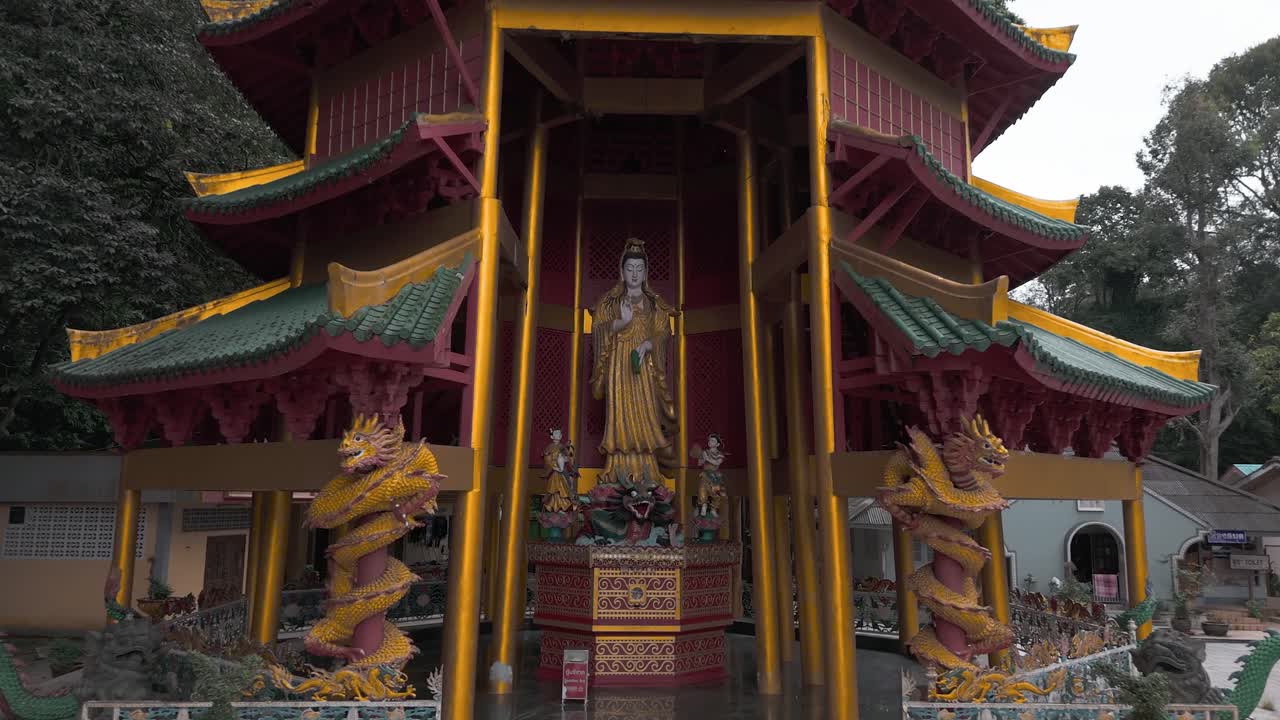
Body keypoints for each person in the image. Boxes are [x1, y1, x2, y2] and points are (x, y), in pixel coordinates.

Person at [588, 237, 678, 484]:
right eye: (630, 268)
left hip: (644, 367)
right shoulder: (610, 302)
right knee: (621, 413)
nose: (635, 274)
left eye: (639, 269)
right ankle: (617, 467)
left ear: (646, 272)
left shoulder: (653, 303)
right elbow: (598, 329)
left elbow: (663, 333)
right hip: (619, 366)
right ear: (622, 271)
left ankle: (647, 468)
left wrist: (649, 344)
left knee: (646, 414)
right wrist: (621, 323)